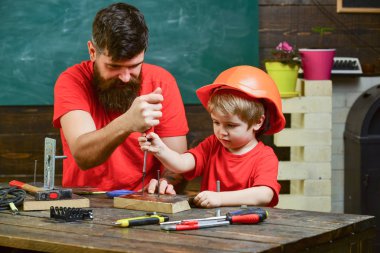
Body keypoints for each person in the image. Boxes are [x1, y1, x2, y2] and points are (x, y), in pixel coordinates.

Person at [53, 2, 189, 194]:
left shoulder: (162, 82)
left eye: (134, 66)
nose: (125, 78)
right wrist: (128, 122)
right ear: (92, 52)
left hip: (144, 201)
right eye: (114, 66)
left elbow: (178, 164)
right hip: (83, 202)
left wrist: (166, 183)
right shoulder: (72, 81)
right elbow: (83, 156)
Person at [139, 65, 285, 207]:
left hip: (248, 229)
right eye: (216, 122)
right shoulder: (213, 144)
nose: (221, 131)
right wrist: (160, 150)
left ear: (258, 122)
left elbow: (264, 194)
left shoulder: (264, 156)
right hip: (210, 226)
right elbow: (181, 164)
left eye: (231, 125)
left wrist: (220, 198)